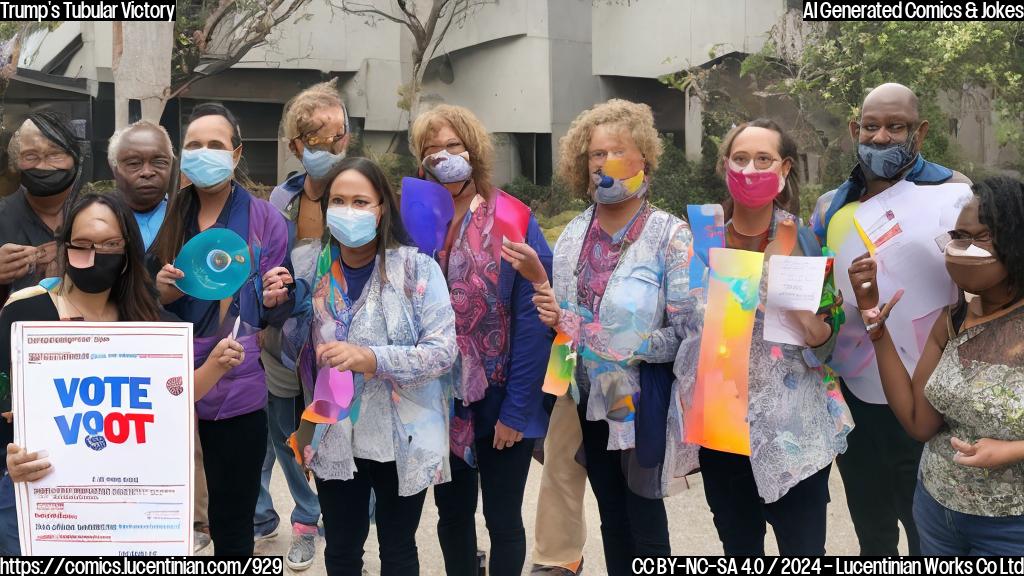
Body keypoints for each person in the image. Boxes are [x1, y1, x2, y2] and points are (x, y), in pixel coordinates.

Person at [1, 192, 244, 555]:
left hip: (127, 511)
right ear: (65, 246)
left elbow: (170, 398)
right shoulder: (25, 314)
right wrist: (10, 463)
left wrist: (215, 366)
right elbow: (6, 409)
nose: (95, 254)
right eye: (83, 243)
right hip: (45, 507)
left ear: (128, 251)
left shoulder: (152, 322)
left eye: (110, 244)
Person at [531, 99, 700, 575]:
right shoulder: (573, 234)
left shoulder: (671, 236)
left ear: (644, 157)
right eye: (596, 154)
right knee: (611, 515)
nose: (605, 162)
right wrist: (556, 328)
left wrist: (627, 344)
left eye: (618, 151)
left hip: (641, 401)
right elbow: (566, 326)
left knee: (644, 518)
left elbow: (688, 331)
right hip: (586, 397)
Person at [811, 83, 972, 556]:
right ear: (854, 130)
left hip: (931, 391)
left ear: (919, 132)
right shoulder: (831, 206)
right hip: (857, 393)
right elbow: (821, 291)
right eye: (871, 126)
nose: (880, 137)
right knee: (872, 529)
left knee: (928, 530)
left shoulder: (955, 194)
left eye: (895, 127)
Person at [690, 119, 853, 555]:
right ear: (725, 165)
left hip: (793, 433)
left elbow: (827, 340)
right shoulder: (702, 240)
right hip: (723, 430)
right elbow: (681, 327)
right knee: (739, 550)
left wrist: (805, 319)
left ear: (784, 168)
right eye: (740, 159)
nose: (750, 169)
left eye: (763, 159)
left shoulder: (803, 240)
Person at [408, 105, 553, 576]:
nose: (443, 155)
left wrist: (518, 409)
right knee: (452, 516)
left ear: (474, 149)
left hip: (501, 396)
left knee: (503, 519)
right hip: (436, 399)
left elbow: (534, 320)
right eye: (431, 148)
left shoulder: (513, 216)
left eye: (453, 145)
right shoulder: (411, 218)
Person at [294, 156, 457, 576]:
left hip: (402, 435)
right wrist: (278, 307)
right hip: (334, 432)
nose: (348, 211)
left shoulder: (417, 269)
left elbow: (442, 352)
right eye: (338, 201)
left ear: (382, 208)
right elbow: (297, 352)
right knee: (341, 549)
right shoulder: (312, 270)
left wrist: (372, 358)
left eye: (360, 201)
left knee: (397, 549)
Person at [847, 176, 1024, 555]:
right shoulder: (953, 319)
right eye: (958, 236)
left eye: (982, 237)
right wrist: (875, 325)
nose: (964, 249)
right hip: (936, 512)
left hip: (1011, 528)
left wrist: (1013, 451)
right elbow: (918, 422)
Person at [149, 103, 294, 557]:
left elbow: (276, 307)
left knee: (234, 524)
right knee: (160, 513)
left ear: (236, 153)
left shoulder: (266, 219)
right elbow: (138, 301)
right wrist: (159, 293)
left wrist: (276, 298)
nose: (204, 153)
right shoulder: (165, 216)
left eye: (215, 144)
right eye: (194, 145)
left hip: (237, 379)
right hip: (169, 379)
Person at [260, 79, 350, 569]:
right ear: (296, 146)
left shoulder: (361, 192)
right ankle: (305, 518)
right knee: (284, 432)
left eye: (338, 136)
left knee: (337, 430)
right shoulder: (282, 199)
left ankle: (346, 521)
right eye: (316, 138)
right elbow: (263, 261)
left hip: (342, 345)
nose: (330, 147)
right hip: (282, 341)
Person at [0, 112, 85, 305]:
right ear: (15, 161)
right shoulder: (3, 215)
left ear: (75, 157)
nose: (43, 166)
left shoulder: (97, 215)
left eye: (55, 154)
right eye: (30, 156)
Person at [108, 120, 176, 252]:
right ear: (114, 168)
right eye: (134, 163)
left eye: (159, 162)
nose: (147, 172)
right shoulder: (99, 217)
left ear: (171, 165)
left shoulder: (187, 216)